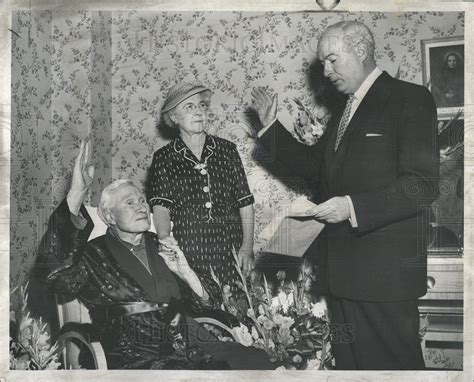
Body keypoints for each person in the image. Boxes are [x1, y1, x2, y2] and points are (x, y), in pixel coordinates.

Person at [251, 20, 439, 370]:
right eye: (323, 62)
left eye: (332, 59)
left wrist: (352, 207)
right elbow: (314, 169)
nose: (325, 71)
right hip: (342, 277)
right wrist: (269, 127)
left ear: (362, 50)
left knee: (394, 370)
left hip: (384, 281)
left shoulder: (409, 98)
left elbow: (422, 184)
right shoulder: (344, 112)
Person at [36, 140, 273, 370]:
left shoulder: (163, 245)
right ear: (108, 217)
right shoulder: (93, 254)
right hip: (134, 354)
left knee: (257, 361)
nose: (141, 207)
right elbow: (55, 279)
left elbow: (207, 303)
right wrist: (76, 194)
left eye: (142, 201)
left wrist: (186, 273)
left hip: (192, 341)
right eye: (130, 203)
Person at [146, 82, 255, 290]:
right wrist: (166, 243)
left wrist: (247, 248)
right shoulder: (164, 158)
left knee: (239, 311)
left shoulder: (227, 150)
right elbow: (161, 208)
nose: (198, 112)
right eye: (189, 107)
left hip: (230, 251)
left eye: (202, 106)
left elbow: (245, 202)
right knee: (200, 313)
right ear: (174, 117)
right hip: (189, 251)